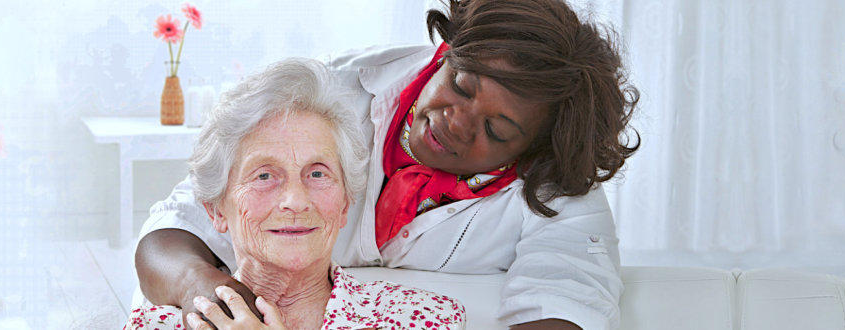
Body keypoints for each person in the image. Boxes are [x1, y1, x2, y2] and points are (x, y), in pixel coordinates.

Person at [137, 0, 639, 328]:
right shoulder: (329, 92)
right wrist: (203, 291)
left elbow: (565, 304)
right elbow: (177, 225)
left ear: (536, 148)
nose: (457, 123)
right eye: (460, 85)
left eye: (496, 130)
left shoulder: (561, 190)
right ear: (447, 51)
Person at [125, 58, 464, 330]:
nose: (296, 201)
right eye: (264, 175)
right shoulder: (155, 324)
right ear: (215, 211)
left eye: (317, 173)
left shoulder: (422, 317)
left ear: (345, 203)